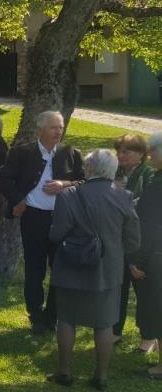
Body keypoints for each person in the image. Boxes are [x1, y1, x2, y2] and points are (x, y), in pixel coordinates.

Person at [47, 150, 140, 390]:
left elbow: (56, 234)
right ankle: (101, 376)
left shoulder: (68, 195)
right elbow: (133, 241)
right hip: (107, 268)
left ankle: (65, 371)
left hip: (71, 264)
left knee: (66, 319)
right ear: (112, 170)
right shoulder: (124, 196)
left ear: (88, 169)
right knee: (104, 323)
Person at [0, 110, 84, 334]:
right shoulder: (23, 153)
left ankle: (52, 315)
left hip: (62, 220)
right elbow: (2, 179)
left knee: (59, 268)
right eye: (54, 127)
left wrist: (64, 184)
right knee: (34, 268)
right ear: (41, 129)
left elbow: (84, 181)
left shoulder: (70, 153)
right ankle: (35, 315)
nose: (58, 131)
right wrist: (18, 199)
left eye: (60, 127)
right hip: (34, 217)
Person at [112, 134, 154, 348]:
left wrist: (121, 196)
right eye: (119, 151)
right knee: (118, 287)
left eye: (126, 151)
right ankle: (115, 331)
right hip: (117, 239)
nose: (121, 155)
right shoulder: (115, 172)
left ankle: (149, 337)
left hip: (140, 240)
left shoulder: (149, 174)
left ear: (141, 154)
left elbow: (145, 204)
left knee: (144, 291)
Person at [134, 133, 162, 376]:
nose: (149, 154)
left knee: (157, 309)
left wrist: (138, 260)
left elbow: (151, 225)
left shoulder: (158, 184)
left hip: (156, 255)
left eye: (153, 150)